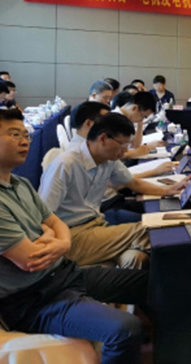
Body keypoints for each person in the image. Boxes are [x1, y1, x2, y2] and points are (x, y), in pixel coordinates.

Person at [0, 109, 149, 363]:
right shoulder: (64, 164)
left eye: (26, 135)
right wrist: (60, 239)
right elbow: (32, 259)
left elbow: (55, 222)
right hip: (35, 299)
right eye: (14, 135)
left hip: (66, 274)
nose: (24, 141)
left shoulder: (21, 184)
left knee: (152, 283)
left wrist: (61, 241)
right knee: (125, 329)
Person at [39, 113, 188, 269]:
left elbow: (133, 183)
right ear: (103, 139)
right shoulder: (65, 164)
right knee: (149, 229)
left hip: (97, 226)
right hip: (71, 235)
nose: (126, 150)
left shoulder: (108, 160)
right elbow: (42, 215)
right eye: (123, 144)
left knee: (136, 258)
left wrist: (168, 190)